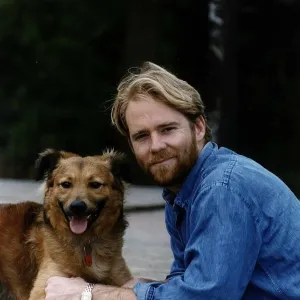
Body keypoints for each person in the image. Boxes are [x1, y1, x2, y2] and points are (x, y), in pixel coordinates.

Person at [45, 62, 300, 300]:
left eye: (167, 129)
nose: (156, 146)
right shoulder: (181, 192)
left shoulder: (222, 189)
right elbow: (188, 280)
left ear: (198, 127)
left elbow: (206, 297)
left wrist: (88, 292)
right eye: (142, 136)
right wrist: (133, 288)